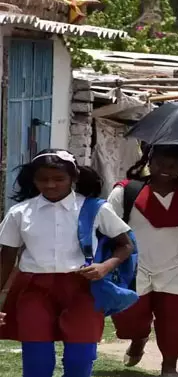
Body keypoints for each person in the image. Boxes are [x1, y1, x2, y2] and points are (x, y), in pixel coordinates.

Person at [0, 149, 134, 377]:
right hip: (34, 289)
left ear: (74, 178)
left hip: (82, 288)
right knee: (36, 359)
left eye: (59, 179)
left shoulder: (96, 208)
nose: (50, 185)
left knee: (80, 358)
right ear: (33, 179)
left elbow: (126, 245)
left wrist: (105, 266)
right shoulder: (20, 213)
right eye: (43, 179)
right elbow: (6, 258)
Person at [108, 145, 178, 375]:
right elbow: (108, 221)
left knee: (176, 321)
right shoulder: (126, 191)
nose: (166, 169)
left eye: (174, 165)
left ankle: (169, 367)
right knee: (129, 317)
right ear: (149, 161)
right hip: (136, 266)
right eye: (160, 163)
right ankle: (139, 337)